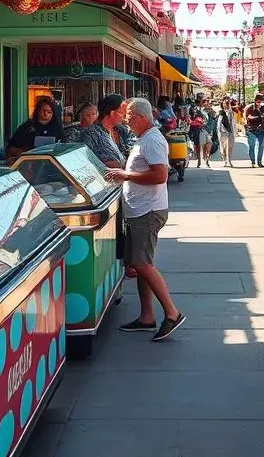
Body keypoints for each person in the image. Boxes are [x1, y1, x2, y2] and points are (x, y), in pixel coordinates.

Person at [105, 98, 186, 342]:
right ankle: (147, 316)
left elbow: (160, 175)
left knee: (143, 264)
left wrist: (125, 175)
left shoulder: (151, 140)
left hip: (147, 212)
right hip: (140, 210)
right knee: (140, 264)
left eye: (129, 115)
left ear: (141, 117)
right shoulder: (145, 139)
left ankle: (172, 313)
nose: (126, 119)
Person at [5, 95, 64, 160]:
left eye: (49, 112)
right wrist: (21, 151)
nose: (46, 114)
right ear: (38, 110)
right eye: (44, 111)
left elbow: (63, 146)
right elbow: (9, 149)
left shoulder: (57, 128)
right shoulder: (26, 127)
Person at [82, 94, 127, 169]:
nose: (124, 116)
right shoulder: (92, 133)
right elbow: (88, 159)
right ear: (112, 113)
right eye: (122, 113)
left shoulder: (118, 130)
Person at [244, 93, 264, 167]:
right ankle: (253, 162)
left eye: (261, 102)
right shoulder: (250, 108)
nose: (260, 103)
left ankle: (259, 162)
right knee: (252, 146)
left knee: (261, 146)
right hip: (251, 129)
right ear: (255, 101)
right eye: (258, 102)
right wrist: (258, 117)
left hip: (262, 129)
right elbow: (248, 117)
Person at [218, 102, 236, 167]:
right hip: (222, 133)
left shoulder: (231, 113)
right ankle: (225, 160)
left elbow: (233, 123)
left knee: (229, 147)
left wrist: (234, 133)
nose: (226, 105)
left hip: (230, 133)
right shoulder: (220, 112)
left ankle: (229, 161)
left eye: (227, 104)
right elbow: (219, 124)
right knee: (223, 147)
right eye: (225, 104)